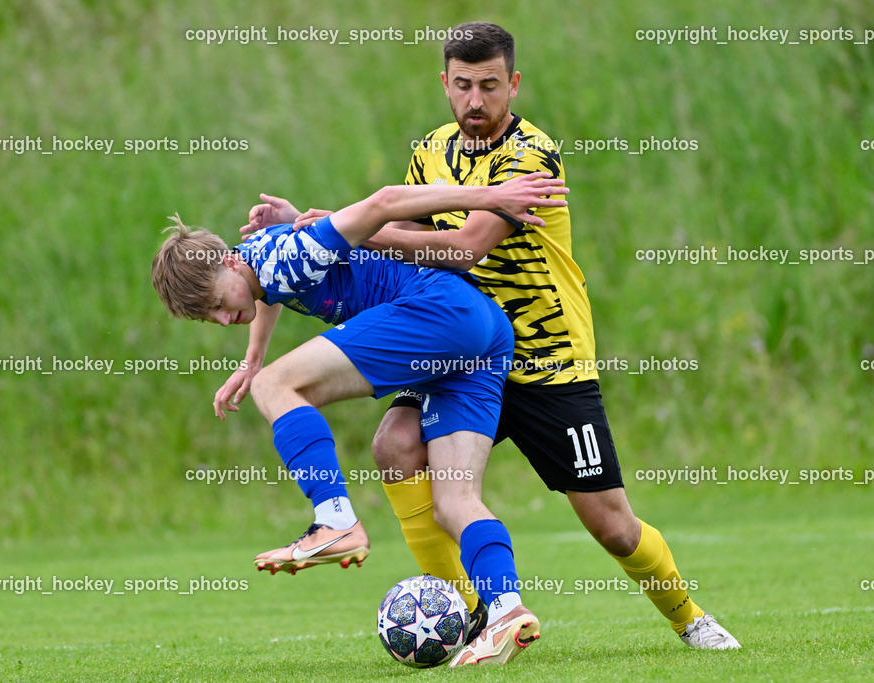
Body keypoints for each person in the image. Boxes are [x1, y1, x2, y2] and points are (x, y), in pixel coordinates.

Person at [254, 21, 741, 650]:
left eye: (489, 85)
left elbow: (463, 249)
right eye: (463, 85)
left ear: (513, 84)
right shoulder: (432, 150)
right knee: (396, 444)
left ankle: (689, 618)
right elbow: (411, 246)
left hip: (546, 359)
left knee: (613, 526)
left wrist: (351, 227)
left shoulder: (530, 158)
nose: (476, 100)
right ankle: (465, 615)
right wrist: (321, 231)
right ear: (445, 84)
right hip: (458, 350)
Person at [153, 172, 568, 666]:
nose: (224, 319)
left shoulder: (290, 253)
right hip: (483, 332)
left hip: (438, 312)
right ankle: (506, 611)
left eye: (219, 304)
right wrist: (252, 359)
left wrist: (492, 197)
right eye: (211, 317)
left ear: (227, 262)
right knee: (454, 501)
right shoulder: (260, 262)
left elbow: (385, 201)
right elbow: (266, 293)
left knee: (275, 388)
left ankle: (335, 520)